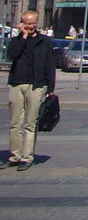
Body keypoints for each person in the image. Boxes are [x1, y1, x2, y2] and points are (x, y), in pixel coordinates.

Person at [6, 10, 56, 171]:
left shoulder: (45, 41)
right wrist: (23, 37)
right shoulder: (16, 40)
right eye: (28, 23)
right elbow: (12, 55)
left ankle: (27, 157)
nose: (31, 26)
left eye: (33, 23)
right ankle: (15, 155)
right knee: (15, 123)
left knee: (30, 123)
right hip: (16, 84)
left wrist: (51, 87)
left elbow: (50, 64)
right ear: (22, 24)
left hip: (36, 85)